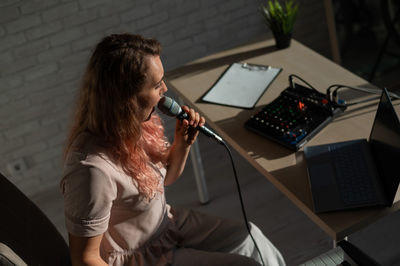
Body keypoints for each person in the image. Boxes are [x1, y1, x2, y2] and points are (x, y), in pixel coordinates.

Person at [60, 33, 285, 266]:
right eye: (157, 85)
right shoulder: (90, 170)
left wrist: (182, 144)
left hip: (166, 225)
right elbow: (84, 258)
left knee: (250, 237)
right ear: (125, 97)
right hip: (141, 257)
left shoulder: (138, 124)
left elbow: (162, 181)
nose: (165, 89)